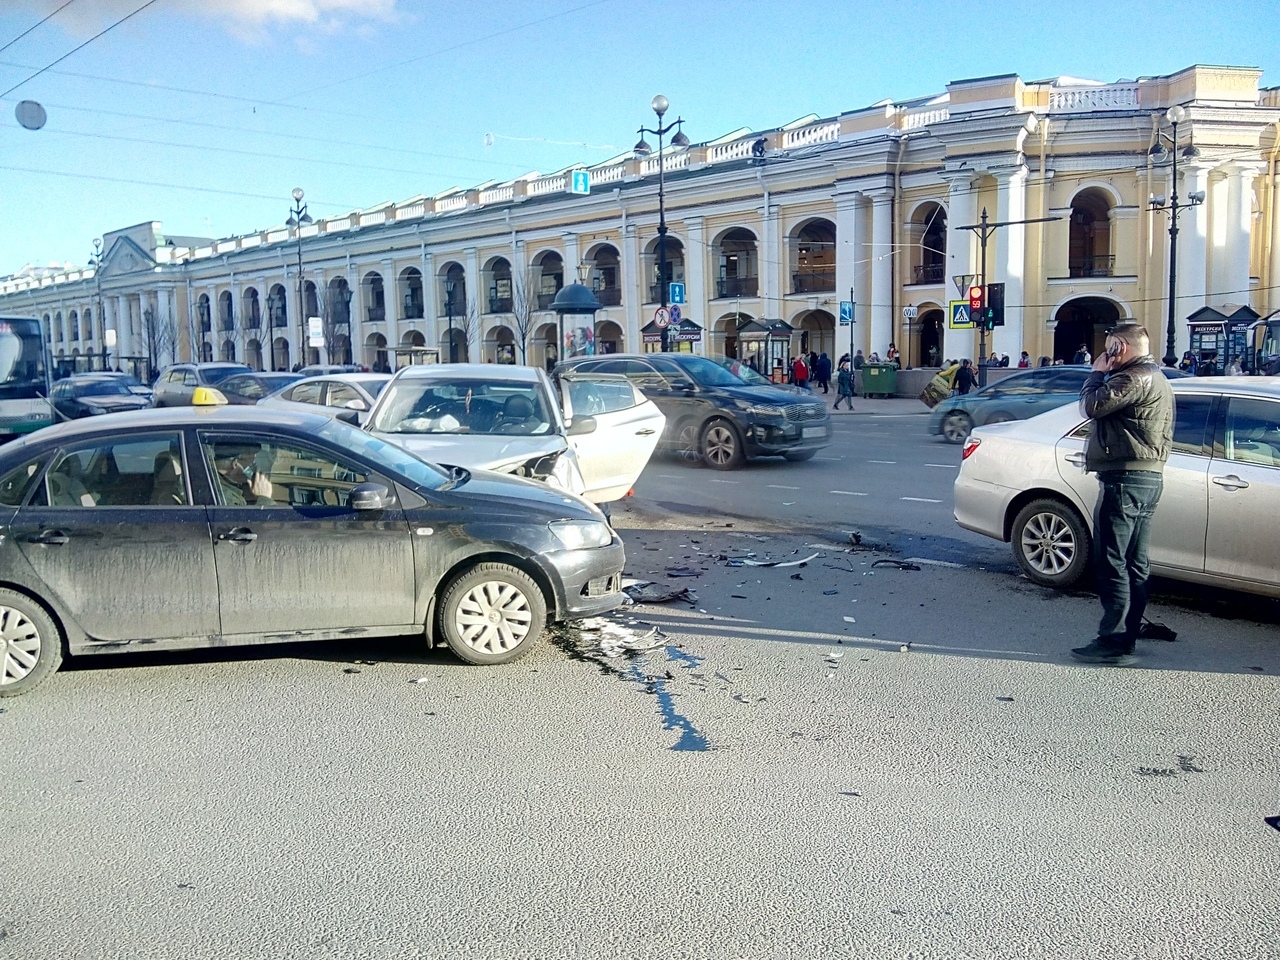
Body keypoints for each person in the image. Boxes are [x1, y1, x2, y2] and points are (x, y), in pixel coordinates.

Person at [1071, 323, 1174, 666]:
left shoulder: (1133, 377)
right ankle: (1129, 631)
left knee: (1112, 560)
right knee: (1135, 562)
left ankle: (1114, 639)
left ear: (1121, 348)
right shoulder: (1155, 376)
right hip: (1146, 478)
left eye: (1110, 348)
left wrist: (1095, 374)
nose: (1105, 354)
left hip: (1125, 479)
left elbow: (1092, 406)